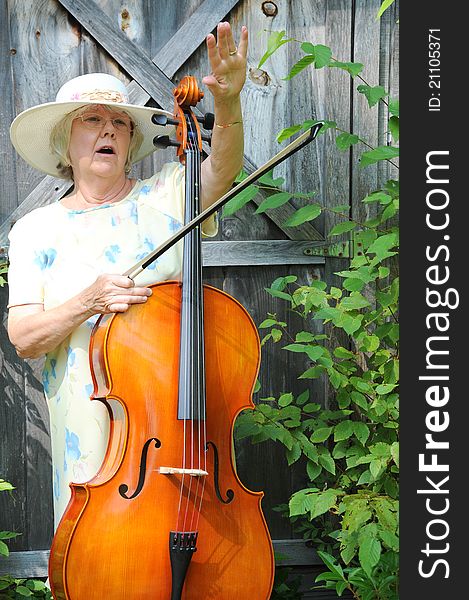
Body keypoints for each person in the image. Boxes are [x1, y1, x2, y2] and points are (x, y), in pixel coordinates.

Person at [7, 22, 248, 528]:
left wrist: (227, 108)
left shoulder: (169, 195)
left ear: (132, 139)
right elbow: (25, 338)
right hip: (88, 435)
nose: (109, 130)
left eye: (119, 123)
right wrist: (86, 302)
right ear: (63, 140)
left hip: (176, 422)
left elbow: (221, 170)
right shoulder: (36, 230)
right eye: (92, 120)